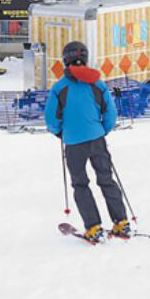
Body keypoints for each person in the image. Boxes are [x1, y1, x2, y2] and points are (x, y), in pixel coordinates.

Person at [44, 41, 126, 243]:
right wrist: (101, 130)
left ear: (65, 60)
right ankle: (121, 222)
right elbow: (110, 113)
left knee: (81, 184)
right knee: (106, 179)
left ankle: (94, 227)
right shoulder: (97, 84)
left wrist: (60, 133)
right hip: (97, 139)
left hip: (73, 143)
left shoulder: (59, 88)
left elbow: (51, 119)